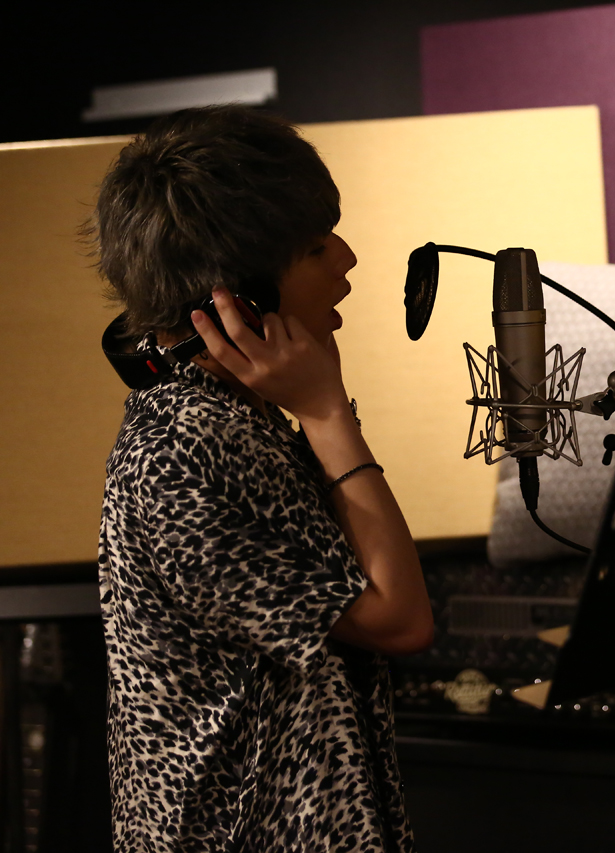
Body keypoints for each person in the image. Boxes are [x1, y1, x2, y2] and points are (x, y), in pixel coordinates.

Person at [92, 105, 432, 851]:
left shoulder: (236, 420)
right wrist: (328, 412)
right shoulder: (180, 454)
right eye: (314, 248)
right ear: (238, 300)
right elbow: (399, 618)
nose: (346, 259)